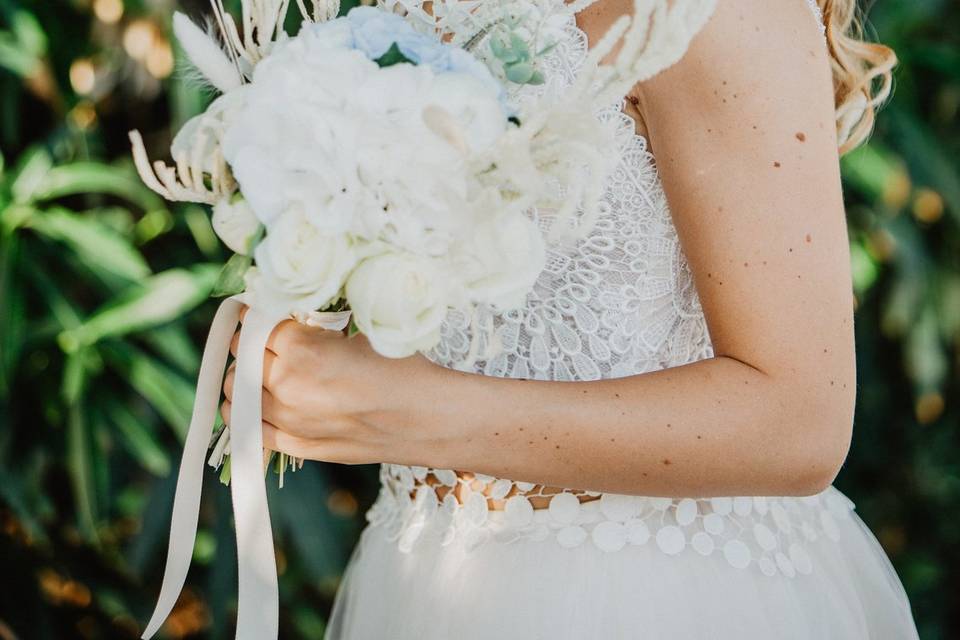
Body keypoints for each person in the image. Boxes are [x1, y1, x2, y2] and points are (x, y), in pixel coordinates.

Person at [220, 0, 918, 637]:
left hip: (654, 594)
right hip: (423, 572)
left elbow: (799, 422)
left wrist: (410, 414)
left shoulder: (710, 12)